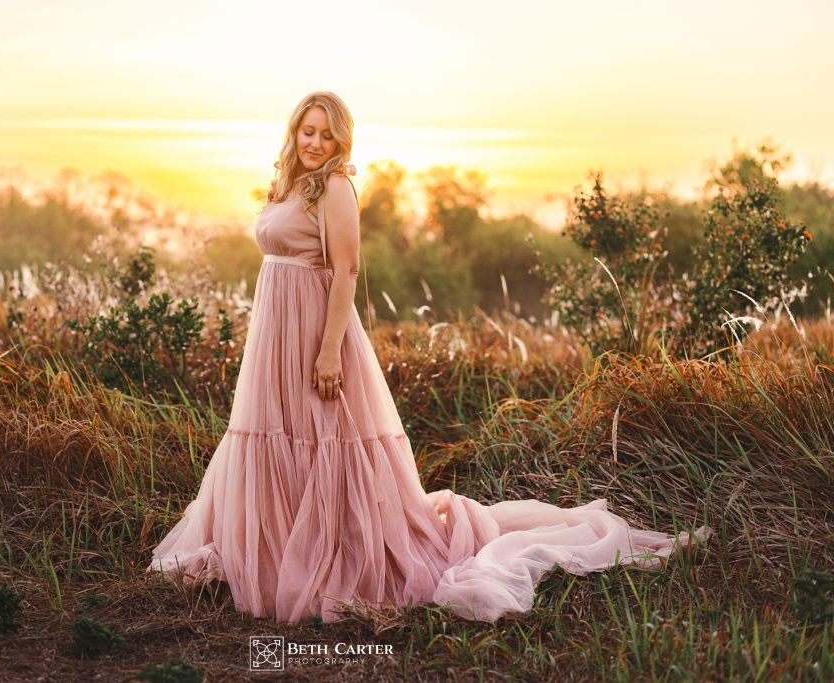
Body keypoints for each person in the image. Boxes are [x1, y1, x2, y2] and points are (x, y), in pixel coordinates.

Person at [146, 90, 713, 624]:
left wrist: (326, 353)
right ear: (293, 133)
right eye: (306, 131)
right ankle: (275, 551)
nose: (313, 143)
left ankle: (334, 557)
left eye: (325, 135)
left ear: (340, 142)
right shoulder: (288, 185)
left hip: (317, 331)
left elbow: (344, 271)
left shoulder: (336, 187)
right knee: (277, 435)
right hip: (274, 334)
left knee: (325, 440)